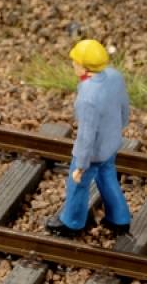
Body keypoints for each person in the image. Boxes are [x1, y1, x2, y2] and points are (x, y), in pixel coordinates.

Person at [46, 39, 133, 238]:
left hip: (92, 153)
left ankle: (71, 223)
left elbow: (86, 136)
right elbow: (124, 108)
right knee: (108, 178)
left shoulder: (88, 97)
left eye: (75, 62)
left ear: (84, 66)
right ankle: (120, 219)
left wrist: (81, 165)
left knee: (78, 185)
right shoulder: (114, 76)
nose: (73, 65)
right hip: (110, 145)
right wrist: (118, 128)